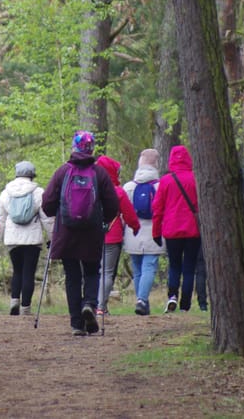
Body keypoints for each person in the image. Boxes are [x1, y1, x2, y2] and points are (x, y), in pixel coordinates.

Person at [41, 131, 120, 336]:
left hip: (66, 233)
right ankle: (90, 305)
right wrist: (104, 220)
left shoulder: (63, 172)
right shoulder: (99, 173)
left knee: (72, 276)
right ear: (92, 148)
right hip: (91, 233)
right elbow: (113, 204)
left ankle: (77, 323)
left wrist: (55, 212)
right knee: (93, 271)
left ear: (74, 148)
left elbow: (48, 203)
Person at [0, 160, 53, 316]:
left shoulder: (5, 193)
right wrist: (52, 238)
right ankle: (25, 308)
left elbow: (0, 219)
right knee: (29, 272)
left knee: (17, 271)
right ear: (32, 175)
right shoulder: (39, 192)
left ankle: (14, 301)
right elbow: (47, 218)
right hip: (32, 239)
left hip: (12, 239)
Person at [151, 145, 201, 312]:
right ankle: (185, 305)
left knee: (174, 265)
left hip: (172, 230)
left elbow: (157, 209)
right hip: (193, 230)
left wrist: (156, 232)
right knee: (189, 267)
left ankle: (172, 296)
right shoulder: (195, 178)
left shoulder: (165, 181)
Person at [93, 155, 140, 316]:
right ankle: (100, 306)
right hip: (111, 236)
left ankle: (91, 304)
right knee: (106, 272)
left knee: (93, 271)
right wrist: (135, 227)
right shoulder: (118, 192)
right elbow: (129, 214)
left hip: (91, 235)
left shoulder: (90, 189)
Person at [121, 148, 164, 315]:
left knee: (137, 269)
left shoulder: (129, 187)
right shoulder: (160, 186)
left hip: (134, 231)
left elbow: (124, 211)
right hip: (154, 231)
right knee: (149, 267)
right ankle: (142, 300)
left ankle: (140, 301)